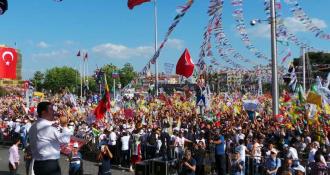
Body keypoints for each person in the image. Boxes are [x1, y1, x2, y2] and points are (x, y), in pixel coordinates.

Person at [29, 102, 72, 175]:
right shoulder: (47, 127)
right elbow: (65, 140)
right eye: (51, 109)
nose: (54, 112)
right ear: (43, 112)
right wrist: (64, 125)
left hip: (38, 164)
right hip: (49, 165)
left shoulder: (33, 126)